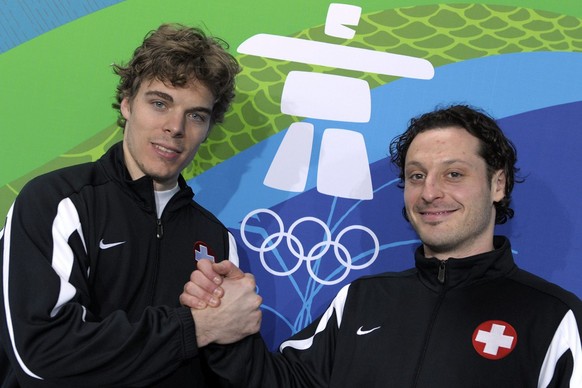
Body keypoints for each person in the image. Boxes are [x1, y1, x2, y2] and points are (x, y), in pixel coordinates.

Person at [182, 105, 582, 387]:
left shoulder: (554, 319)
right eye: (416, 175)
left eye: (454, 174)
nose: (429, 192)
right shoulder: (360, 300)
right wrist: (227, 328)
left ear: (498, 184)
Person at [0, 24, 262, 387]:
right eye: (159, 103)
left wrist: (236, 334)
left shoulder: (214, 238)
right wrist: (194, 328)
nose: (175, 127)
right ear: (127, 104)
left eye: (196, 115)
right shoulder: (55, 203)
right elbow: (43, 355)